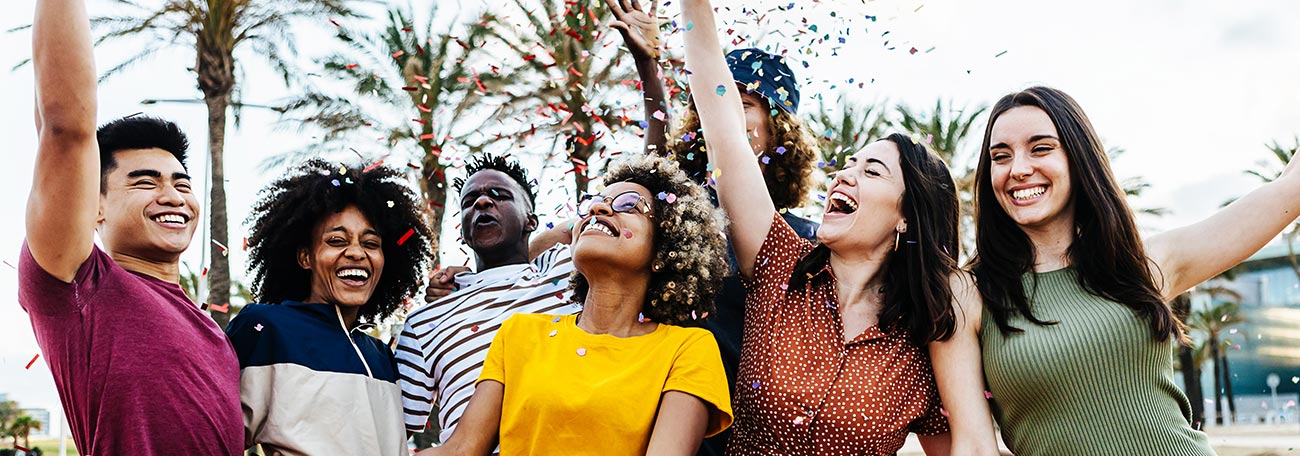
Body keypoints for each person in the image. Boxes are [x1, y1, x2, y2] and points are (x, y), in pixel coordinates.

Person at [680, 0, 979, 454]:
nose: (843, 175)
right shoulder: (779, 262)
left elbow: (965, 446)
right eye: (849, 164)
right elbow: (721, 118)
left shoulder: (924, 341)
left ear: (906, 217)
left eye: (872, 171)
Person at [960, 86, 1300, 455]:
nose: (1019, 169)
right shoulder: (970, 295)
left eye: (1041, 148)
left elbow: (1288, 190)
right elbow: (974, 448)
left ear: (1079, 158)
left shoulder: (1140, 265)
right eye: (1000, 156)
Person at [17, 1, 243, 454]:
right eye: (146, 182)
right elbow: (64, 129)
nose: (174, 196)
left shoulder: (212, 329)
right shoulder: (78, 287)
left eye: (182, 183)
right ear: (94, 206)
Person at [602, 2, 821, 453]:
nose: (720, 118)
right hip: (649, 422)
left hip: (753, 433)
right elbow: (648, 183)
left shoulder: (809, 239)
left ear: (780, 128)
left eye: (742, 105)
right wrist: (650, 72)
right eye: (710, 107)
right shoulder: (679, 213)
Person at [421, 154, 733, 455]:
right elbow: (461, 450)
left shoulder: (689, 349)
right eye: (594, 203)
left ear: (664, 249)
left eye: (628, 205)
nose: (599, 208)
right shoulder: (518, 333)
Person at [224, 158, 433, 455]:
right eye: (336, 240)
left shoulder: (383, 357)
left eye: (371, 244)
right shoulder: (264, 327)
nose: (356, 253)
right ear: (305, 257)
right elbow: (210, 436)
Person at [397, 154, 582, 444]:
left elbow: (607, 212)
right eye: (469, 201)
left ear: (531, 220)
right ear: (462, 231)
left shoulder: (568, 269)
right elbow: (392, 429)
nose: (482, 202)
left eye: (499, 195)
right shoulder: (426, 320)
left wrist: (531, 254)